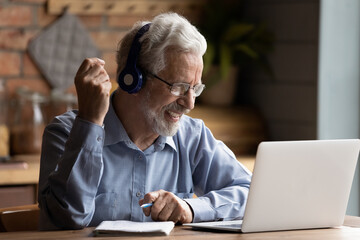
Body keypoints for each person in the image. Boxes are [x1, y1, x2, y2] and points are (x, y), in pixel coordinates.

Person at [38, 12, 252, 230]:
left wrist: (190, 208)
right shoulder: (65, 133)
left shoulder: (192, 137)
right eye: (178, 87)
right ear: (133, 80)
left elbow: (250, 191)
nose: (189, 104)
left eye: (195, 88)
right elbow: (67, 218)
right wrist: (90, 122)